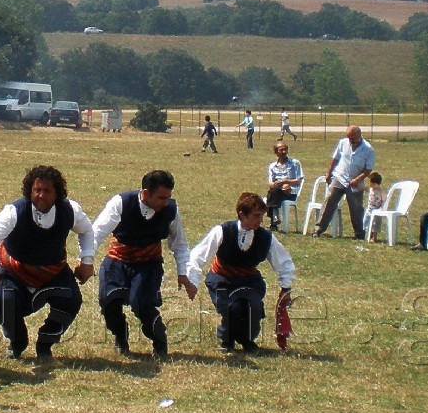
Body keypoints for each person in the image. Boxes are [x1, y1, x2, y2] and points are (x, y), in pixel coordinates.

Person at [0, 165, 96, 360]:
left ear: (57, 194)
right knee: (2, 301)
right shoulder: (14, 211)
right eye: (36, 190)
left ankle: (45, 343)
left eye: (47, 191)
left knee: (71, 301)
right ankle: (17, 342)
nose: (41, 195)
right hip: (14, 270)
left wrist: (86, 260)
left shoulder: (70, 211)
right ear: (30, 190)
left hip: (53, 271)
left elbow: (86, 231)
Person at [91, 170, 197, 359]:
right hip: (118, 259)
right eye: (161, 197)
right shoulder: (121, 203)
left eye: (168, 197)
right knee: (109, 300)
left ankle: (159, 341)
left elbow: (180, 244)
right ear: (146, 193)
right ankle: (120, 337)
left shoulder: (171, 210)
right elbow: (97, 232)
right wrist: (86, 261)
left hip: (149, 263)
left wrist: (183, 273)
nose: (165, 202)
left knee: (142, 303)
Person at [186, 192, 295, 353]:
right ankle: (227, 340)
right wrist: (192, 281)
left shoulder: (266, 237)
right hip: (222, 279)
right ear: (242, 215)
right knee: (233, 308)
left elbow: (284, 262)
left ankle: (247, 340)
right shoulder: (222, 231)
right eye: (256, 215)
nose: (260, 220)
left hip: (249, 280)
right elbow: (198, 255)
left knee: (254, 307)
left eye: (262, 216)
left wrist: (286, 287)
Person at [311, 126, 376, 239]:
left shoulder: (368, 149)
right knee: (329, 202)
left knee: (356, 208)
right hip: (339, 177)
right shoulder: (342, 143)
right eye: (348, 138)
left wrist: (357, 180)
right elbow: (335, 159)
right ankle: (318, 229)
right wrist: (329, 172)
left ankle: (359, 234)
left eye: (352, 138)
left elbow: (368, 169)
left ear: (359, 136)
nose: (350, 141)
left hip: (355, 182)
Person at [265, 141, 304, 232]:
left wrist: (286, 181)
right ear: (276, 152)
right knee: (274, 190)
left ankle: (274, 220)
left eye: (285, 150)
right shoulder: (272, 166)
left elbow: (298, 180)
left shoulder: (294, 163)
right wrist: (276, 184)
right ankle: (274, 219)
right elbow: (270, 182)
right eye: (281, 150)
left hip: (290, 192)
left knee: (271, 193)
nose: (283, 152)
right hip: (277, 191)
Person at [363, 173, 385, 241]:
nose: (370, 185)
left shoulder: (381, 192)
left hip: (377, 210)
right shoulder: (371, 189)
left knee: (375, 224)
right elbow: (365, 188)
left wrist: (382, 208)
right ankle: (369, 236)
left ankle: (374, 237)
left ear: (376, 184)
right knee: (367, 221)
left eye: (372, 183)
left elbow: (384, 200)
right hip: (369, 208)